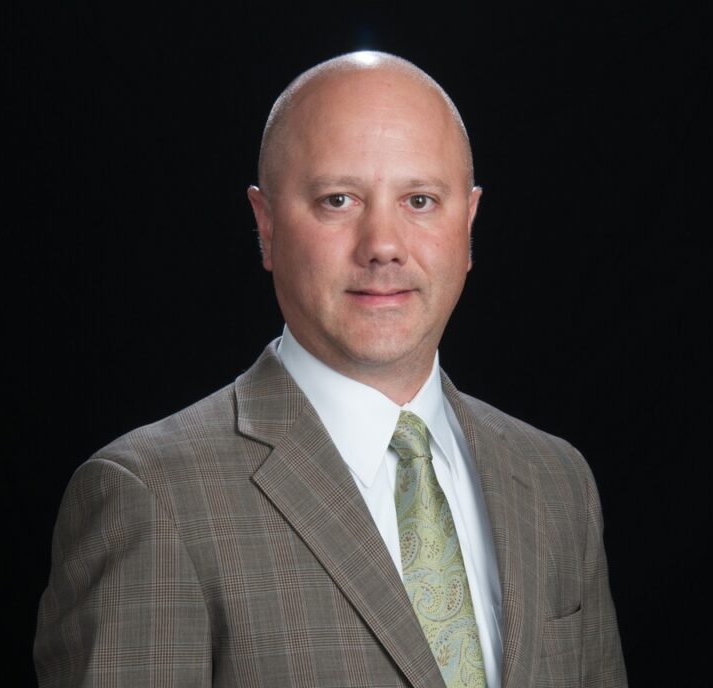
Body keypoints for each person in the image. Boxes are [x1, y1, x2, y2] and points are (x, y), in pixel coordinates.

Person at [34, 51, 626, 688]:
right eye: (338, 200)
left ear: (469, 222)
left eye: (420, 200)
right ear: (265, 225)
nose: (383, 245)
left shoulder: (556, 482)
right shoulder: (152, 496)